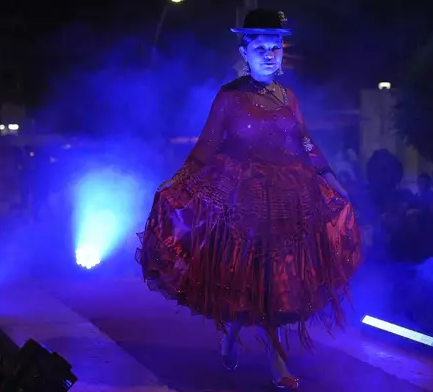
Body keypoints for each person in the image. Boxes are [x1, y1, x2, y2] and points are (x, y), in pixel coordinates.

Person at [136, 9, 361, 390]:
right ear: (245, 51)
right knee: (259, 279)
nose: (270, 54)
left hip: (290, 198)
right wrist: (177, 184)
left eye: (275, 47)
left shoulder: (289, 97)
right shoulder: (229, 97)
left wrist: (331, 179)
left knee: (268, 283)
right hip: (242, 203)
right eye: (261, 47)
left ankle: (230, 336)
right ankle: (277, 362)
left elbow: (304, 143)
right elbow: (206, 147)